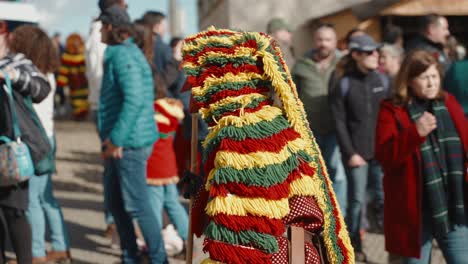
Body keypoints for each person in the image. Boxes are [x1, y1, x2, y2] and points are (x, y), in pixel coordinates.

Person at [375, 50, 468, 263]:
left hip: (453, 205)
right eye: (424, 77)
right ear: (408, 80)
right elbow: (384, 156)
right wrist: (414, 133)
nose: (431, 83)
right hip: (414, 213)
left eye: (434, 76)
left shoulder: (449, 102)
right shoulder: (391, 109)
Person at [98, 5, 167, 263]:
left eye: (101, 27)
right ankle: (130, 256)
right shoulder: (122, 51)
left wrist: (117, 139)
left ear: (110, 27)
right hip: (124, 140)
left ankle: (159, 259)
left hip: (128, 143)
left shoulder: (121, 54)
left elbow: (135, 99)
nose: (99, 33)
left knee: (137, 204)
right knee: (115, 202)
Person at [7, 25, 71, 264]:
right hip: (47, 138)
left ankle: (36, 253)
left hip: (34, 140)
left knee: (32, 199)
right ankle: (60, 245)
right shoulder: (46, 72)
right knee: (46, 197)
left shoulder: (28, 75)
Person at [329, 34, 389, 262]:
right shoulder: (343, 83)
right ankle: (355, 246)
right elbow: (339, 122)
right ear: (355, 55)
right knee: (356, 202)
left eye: (376, 51)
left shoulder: (382, 81)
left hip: (381, 153)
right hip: (357, 155)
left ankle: (392, 247)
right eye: (369, 52)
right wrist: (351, 153)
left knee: (385, 198)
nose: (375, 55)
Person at [0, 20, 52, 264]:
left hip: (11, 149)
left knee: (15, 212)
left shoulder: (18, 62)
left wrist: (11, 76)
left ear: (5, 36)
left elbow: (42, 89)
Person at [292, 23, 347, 214]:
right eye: (320, 39)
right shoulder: (301, 65)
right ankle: (316, 215)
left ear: (335, 41)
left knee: (336, 172)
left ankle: (339, 216)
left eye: (328, 39)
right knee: (312, 172)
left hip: (336, 128)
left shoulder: (344, 63)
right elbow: (292, 95)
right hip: (309, 130)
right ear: (315, 41)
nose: (323, 43)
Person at [86, 0, 127, 244]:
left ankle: (115, 220)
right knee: (114, 165)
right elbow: (101, 75)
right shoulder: (101, 35)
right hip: (108, 105)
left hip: (107, 104)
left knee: (114, 166)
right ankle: (114, 221)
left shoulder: (100, 32)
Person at [57, 33, 89, 120]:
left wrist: (61, 82)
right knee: (79, 99)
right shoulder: (81, 57)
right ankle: (80, 114)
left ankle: (81, 114)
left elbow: (64, 71)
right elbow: (64, 70)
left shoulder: (82, 56)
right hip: (78, 83)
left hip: (79, 83)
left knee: (80, 99)